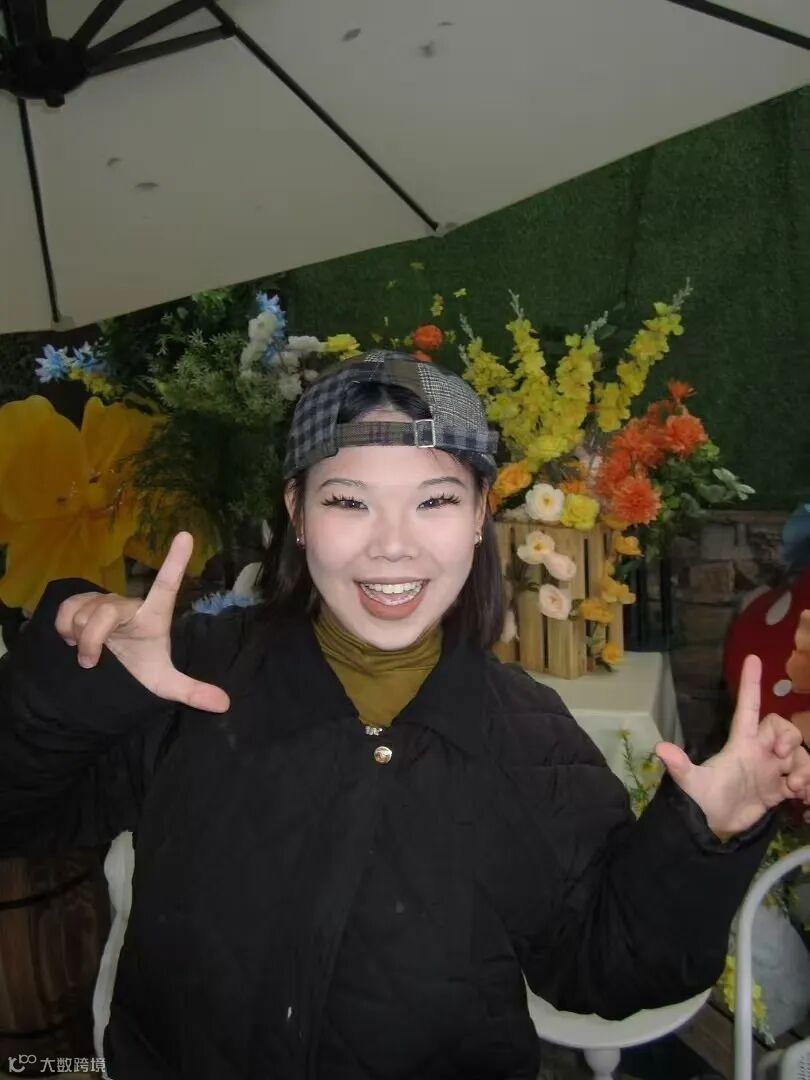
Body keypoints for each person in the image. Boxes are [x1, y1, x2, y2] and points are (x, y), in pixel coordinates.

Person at [0, 351, 808, 1080]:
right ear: (297, 511)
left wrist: (705, 837)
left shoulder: (530, 737)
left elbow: (608, 967)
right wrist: (84, 684)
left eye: (435, 500)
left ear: (481, 512)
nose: (393, 546)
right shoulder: (195, 680)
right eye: (349, 501)